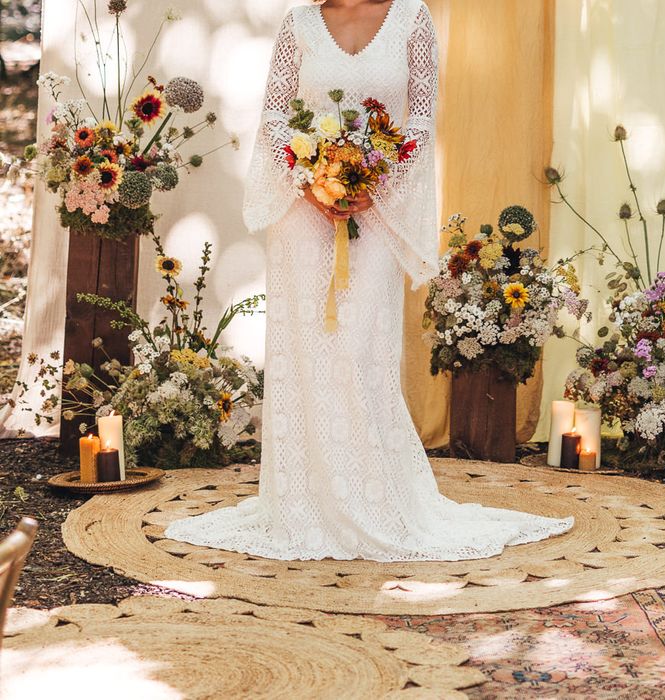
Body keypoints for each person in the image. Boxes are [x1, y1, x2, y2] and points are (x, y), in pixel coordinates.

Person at [165, 0, 574, 561]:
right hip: (302, 218)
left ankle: (373, 499)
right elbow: (278, 118)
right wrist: (314, 184)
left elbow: (422, 119)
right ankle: (305, 503)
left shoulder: (413, 18)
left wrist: (370, 186)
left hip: (379, 212)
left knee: (361, 352)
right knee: (310, 351)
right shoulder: (299, 23)